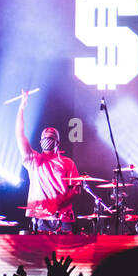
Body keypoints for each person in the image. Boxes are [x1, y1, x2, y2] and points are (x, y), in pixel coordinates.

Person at [16, 90, 81, 233]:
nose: (47, 141)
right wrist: (22, 107)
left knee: (67, 253)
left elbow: (76, 189)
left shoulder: (67, 163)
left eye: (50, 139)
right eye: (45, 139)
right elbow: (20, 135)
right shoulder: (34, 160)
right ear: (40, 141)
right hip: (42, 217)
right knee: (42, 252)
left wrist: (58, 204)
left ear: (57, 142)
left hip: (64, 217)